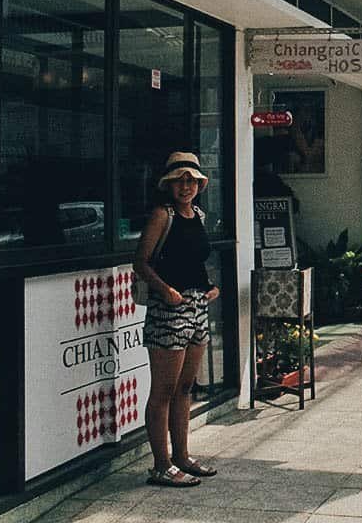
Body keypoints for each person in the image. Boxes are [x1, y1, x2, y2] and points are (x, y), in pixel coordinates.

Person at [133, 152, 220, 487]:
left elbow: (195, 260)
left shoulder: (197, 214)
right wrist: (166, 290)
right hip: (168, 308)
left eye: (191, 180)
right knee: (164, 390)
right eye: (179, 180)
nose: (186, 186)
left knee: (186, 387)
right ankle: (161, 464)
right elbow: (140, 262)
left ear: (199, 184)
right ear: (168, 184)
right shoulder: (161, 215)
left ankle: (182, 456)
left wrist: (209, 287)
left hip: (196, 305)